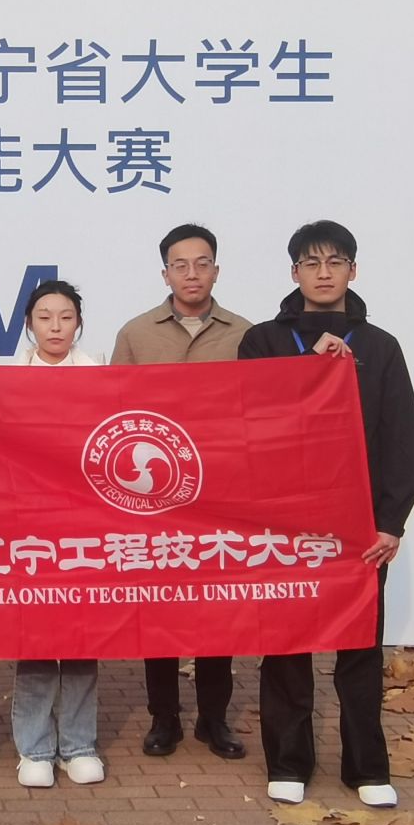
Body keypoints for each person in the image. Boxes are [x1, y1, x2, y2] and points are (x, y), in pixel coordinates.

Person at [238, 220, 414, 810]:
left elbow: (400, 438)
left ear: (352, 271)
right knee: (286, 644)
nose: (323, 273)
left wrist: (391, 521)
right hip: (285, 522)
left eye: (335, 262)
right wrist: (305, 372)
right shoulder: (264, 341)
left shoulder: (380, 346)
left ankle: (366, 767)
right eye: (311, 263)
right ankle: (288, 761)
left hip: (358, 526)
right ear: (294, 272)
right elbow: (248, 422)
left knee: (360, 648)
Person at [110, 224, 253, 761]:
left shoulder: (246, 334)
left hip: (222, 494)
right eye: (180, 265)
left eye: (202, 263)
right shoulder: (136, 334)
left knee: (219, 609)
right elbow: (112, 410)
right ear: (165, 273)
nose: (191, 274)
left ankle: (214, 718)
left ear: (216, 270)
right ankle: (164, 717)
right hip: (155, 496)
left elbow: (262, 410)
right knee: (160, 609)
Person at [10, 279, 104, 789]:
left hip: (86, 521)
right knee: (37, 635)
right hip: (30, 523)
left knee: (83, 635)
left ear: (78, 323)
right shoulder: (6, 378)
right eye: (44, 317)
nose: (55, 327)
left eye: (65, 317)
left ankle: (79, 744)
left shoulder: (98, 373)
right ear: (29, 323)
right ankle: (34, 747)